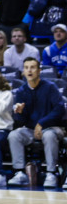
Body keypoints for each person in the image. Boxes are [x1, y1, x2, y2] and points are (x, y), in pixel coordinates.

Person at [7, 57, 67, 188]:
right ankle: (20, 173)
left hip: (52, 127)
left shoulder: (50, 87)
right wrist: (20, 112)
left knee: (49, 135)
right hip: (31, 129)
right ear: (23, 72)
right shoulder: (22, 91)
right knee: (14, 135)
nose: (29, 70)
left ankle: (51, 173)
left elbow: (59, 109)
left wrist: (41, 124)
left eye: (33, 67)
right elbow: (22, 121)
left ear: (39, 71)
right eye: (26, 68)